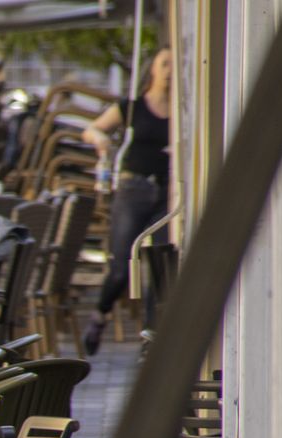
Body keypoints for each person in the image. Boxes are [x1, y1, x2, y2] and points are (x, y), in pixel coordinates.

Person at [80, 46, 171, 355]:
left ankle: (151, 336)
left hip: (169, 192)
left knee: (159, 262)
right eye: (165, 63)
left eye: (175, 64)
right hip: (134, 188)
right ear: (153, 70)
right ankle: (100, 314)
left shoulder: (185, 110)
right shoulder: (133, 107)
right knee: (121, 266)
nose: (171, 70)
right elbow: (91, 129)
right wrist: (100, 139)